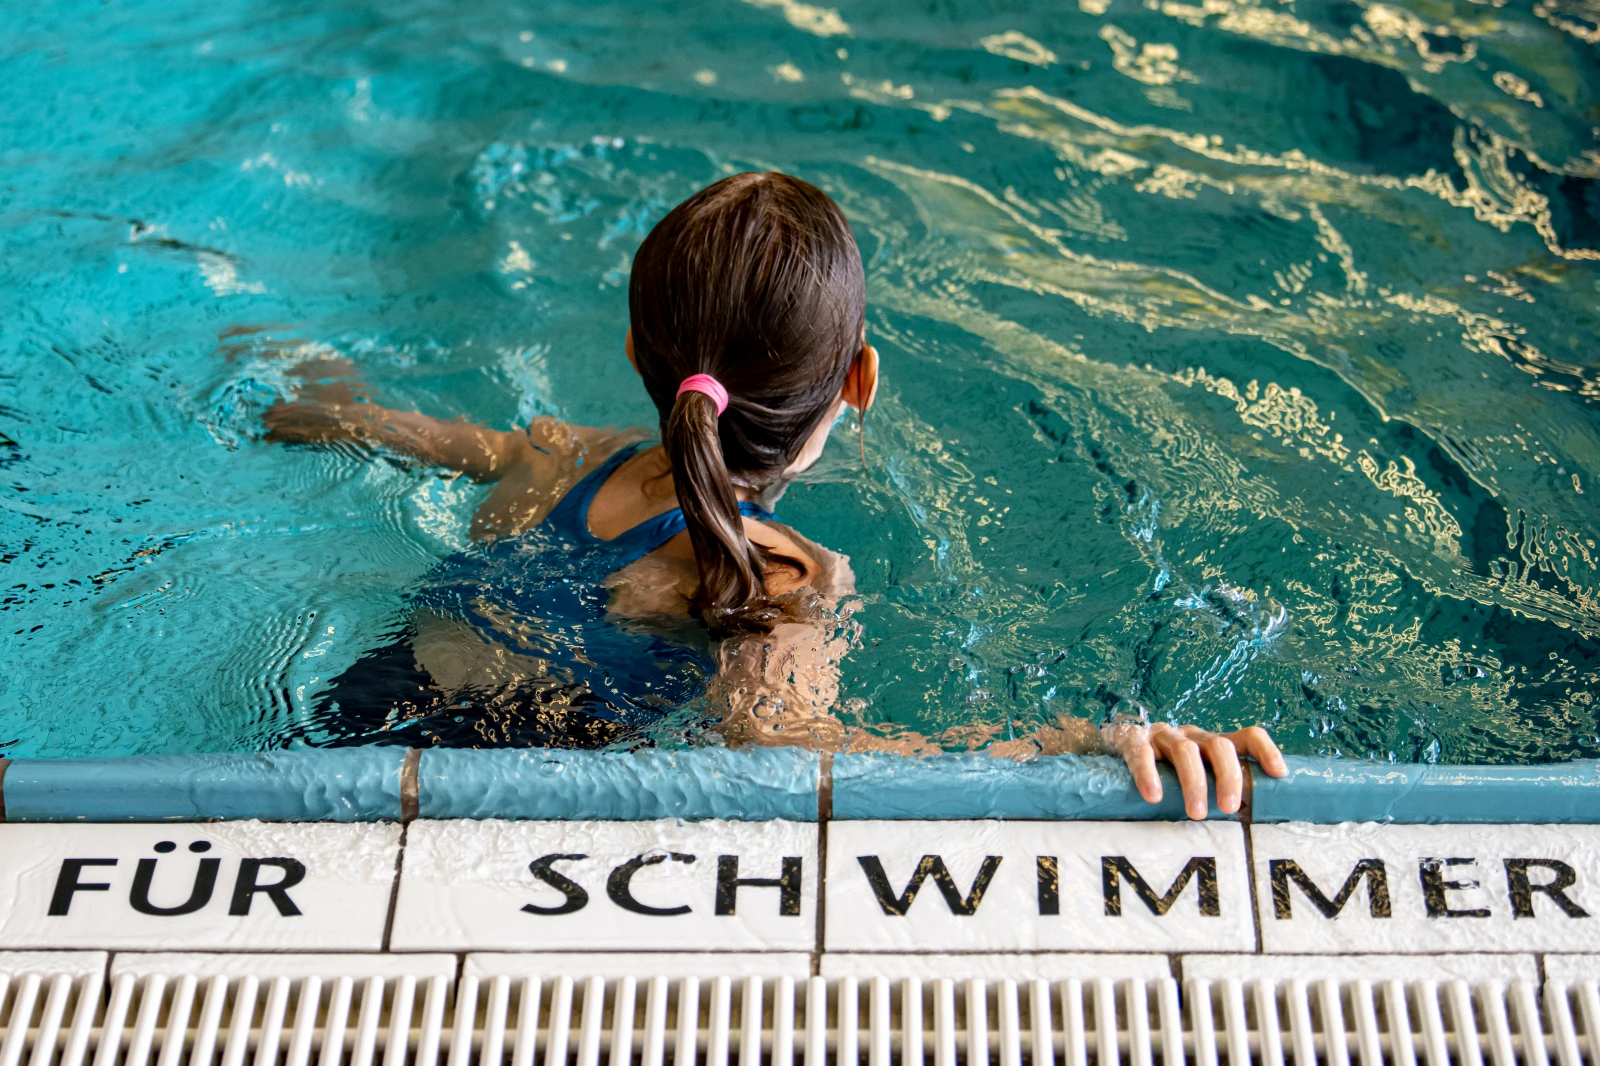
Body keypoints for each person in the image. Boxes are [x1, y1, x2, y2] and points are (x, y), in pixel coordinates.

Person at [264, 171, 1286, 819]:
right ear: (860, 380)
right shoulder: (789, 578)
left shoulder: (549, 454)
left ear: (635, 354)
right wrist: (1087, 744)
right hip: (492, 807)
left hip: (336, 722)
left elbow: (337, 420)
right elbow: (796, 756)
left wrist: (315, 387)